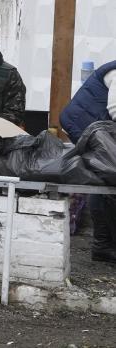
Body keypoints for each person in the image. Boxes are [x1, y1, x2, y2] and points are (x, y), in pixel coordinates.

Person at [60, 60, 116, 263]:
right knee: (109, 177)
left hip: (96, 126)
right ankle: (104, 245)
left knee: (105, 181)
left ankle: (103, 246)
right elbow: (115, 109)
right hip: (85, 125)